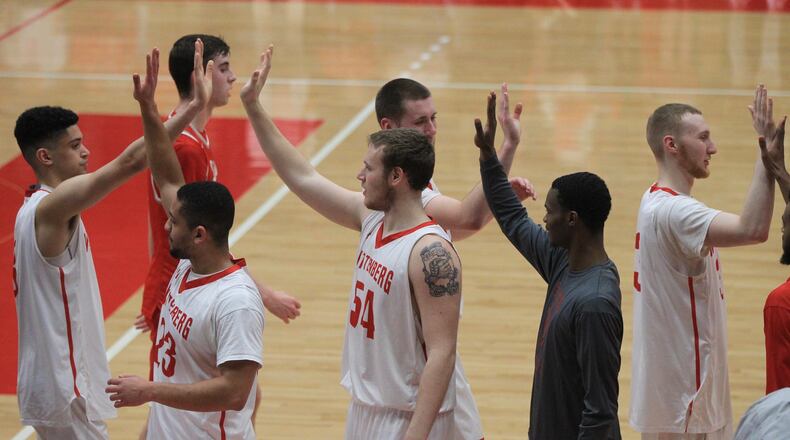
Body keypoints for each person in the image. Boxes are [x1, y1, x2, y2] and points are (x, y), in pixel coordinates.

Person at [242, 46, 465, 439]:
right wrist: (255, 108)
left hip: (410, 416)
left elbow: (443, 353)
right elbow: (302, 177)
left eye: (368, 168)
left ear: (395, 177)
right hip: (367, 409)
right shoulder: (371, 218)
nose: (359, 175)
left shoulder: (430, 251)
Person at [11, 50, 205, 439]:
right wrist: (158, 109)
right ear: (45, 156)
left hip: (57, 378)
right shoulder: (52, 208)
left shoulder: (36, 207)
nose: (86, 152)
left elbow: (136, 156)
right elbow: (131, 162)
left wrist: (188, 109)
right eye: (74, 145)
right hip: (63, 382)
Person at [106, 45, 264, 440]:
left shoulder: (235, 302)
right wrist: (148, 107)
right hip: (172, 428)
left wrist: (148, 391)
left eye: (173, 223)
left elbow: (235, 390)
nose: (164, 227)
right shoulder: (186, 263)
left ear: (199, 234)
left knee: (253, 394)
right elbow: (165, 174)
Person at [630, 85, 777, 439]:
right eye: (703, 138)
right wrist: (766, 151)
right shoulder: (675, 212)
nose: (712, 148)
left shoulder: (654, 199)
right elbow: (753, 229)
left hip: (678, 392)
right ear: (671, 145)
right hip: (687, 397)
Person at [475, 92, 622, 439]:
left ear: (572, 219)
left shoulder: (594, 304)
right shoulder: (564, 261)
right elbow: (512, 218)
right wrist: (488, 156)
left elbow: (600, 412)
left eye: (550, 211)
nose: (543, 218)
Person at [756, 113, 790, 394]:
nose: (781, 223)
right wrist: (779, 171)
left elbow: (780, 398)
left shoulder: (782, 303)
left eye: (786, 221)